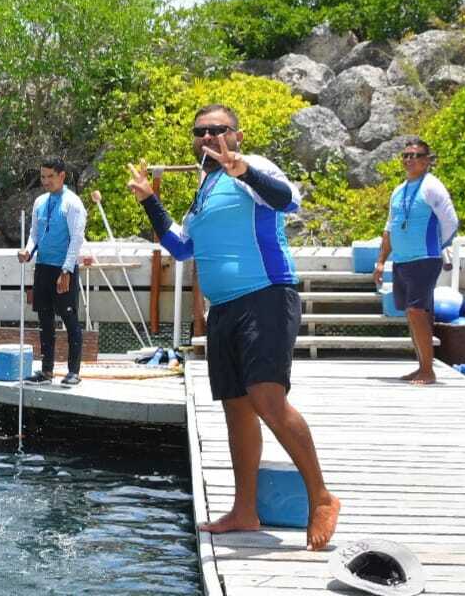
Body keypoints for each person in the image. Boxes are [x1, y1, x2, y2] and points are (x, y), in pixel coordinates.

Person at [125, 104, 340, 552]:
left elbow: (288, 200)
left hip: (265, 296)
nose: (207, 137)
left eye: (217, 130)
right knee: (236, 409)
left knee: (267, 399)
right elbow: (182, 248)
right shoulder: (204, 190)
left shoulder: (253, 167)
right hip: (223, 308)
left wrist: (243, 171)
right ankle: (245, 509)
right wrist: (150, 201)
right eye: (199, 131)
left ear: (236, 135)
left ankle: (320, 496)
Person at [372, 137, 459, 385]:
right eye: (406, 155)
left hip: (424, 258)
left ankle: (428, 371)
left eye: (416, 155)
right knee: (412, 315)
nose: (410, 159)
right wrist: (381, 261)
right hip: (402, 260)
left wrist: (437, 245)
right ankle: (421, 365)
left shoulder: (432, 187)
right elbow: (389, 228)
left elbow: (450, 222)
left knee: (416, 311)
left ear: (427, 161)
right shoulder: (398, 190)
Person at [17, 158, 87, 386]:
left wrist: (66, 270)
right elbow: (34, 235)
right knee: (45, 319)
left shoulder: (73, 203)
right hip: (43, 267)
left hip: (63, 268)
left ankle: (73, 371)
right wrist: (27, 251)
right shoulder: (39, 202)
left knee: (69, 319)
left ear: (62, 176)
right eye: (43, 177)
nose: (46, 181)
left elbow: (76, 240)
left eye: (50, 177)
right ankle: (46, 371)